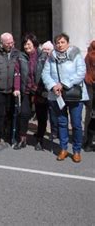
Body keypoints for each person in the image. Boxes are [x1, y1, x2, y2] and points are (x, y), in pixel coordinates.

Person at [42, 33, 88, 163]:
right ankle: (63, 148)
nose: (60, 45)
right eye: (57, 42)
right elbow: (45, 74)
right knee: (62, 123)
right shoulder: (51, 57)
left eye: (62, 42)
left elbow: (81, 73)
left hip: (74, 95)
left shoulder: (76, 55)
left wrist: (63, 84)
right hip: (58, 95)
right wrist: (53, 86)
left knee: (76, 124)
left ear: (67, 43)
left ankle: (77, 150)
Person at [13, 34, 48, 151]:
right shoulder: (21, 57)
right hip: (26, 90)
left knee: (41, 116)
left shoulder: (43, 56)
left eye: (28, 44)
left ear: (35, 44)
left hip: (40, 90)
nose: (26, 46)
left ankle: (40, 140)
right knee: (24, 114)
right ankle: (22, 139)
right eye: (25, 44)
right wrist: (17, 88)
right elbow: (17, 73)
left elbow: (48, 72)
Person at [83, 40, 95, 152]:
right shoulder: (92, 56)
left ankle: (87, 141)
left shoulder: (88, 56)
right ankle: (89, 141)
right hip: (92, 88)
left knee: (90, 115)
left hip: (89, 88)